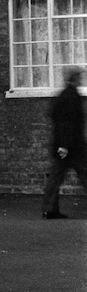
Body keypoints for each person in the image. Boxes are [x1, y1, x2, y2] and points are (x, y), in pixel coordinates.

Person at [42, 67, 85, 219]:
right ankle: (50, 209)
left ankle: (49, 210)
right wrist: (64, 146)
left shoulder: (63, 95)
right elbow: (67, 123)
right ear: (75, 78)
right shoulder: (71, 95)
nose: (82, 79)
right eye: (80, 77)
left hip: (66, 146)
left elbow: (54, 116)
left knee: (54, 178)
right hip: (72, 147)